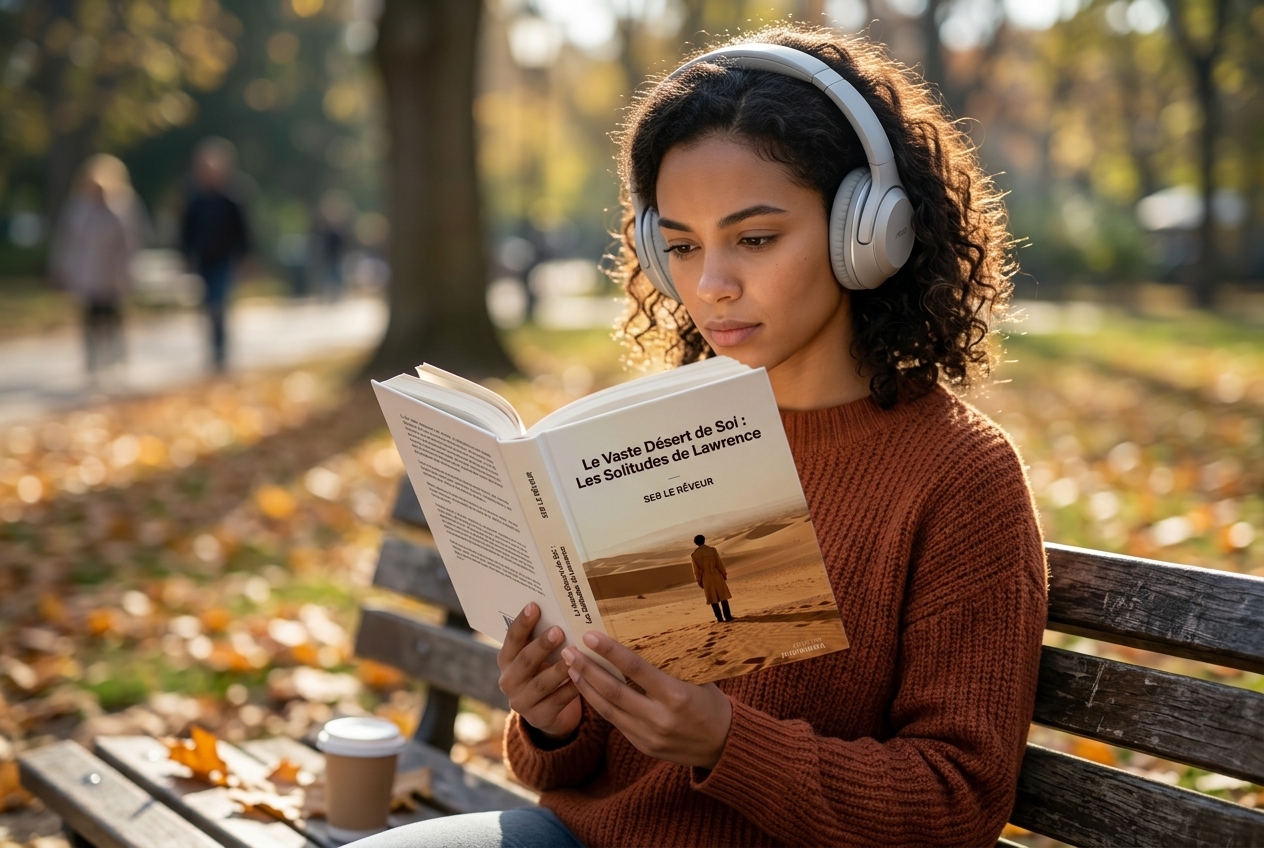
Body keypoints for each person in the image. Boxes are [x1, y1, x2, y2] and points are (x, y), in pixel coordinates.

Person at [348, 23, 1045, 848]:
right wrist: (550, 720)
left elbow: (958, 802)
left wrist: (727, 744)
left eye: (755, 239)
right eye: (680, 245)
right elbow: (569, 771)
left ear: (866, 233)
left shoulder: (959, 475)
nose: (711, 284)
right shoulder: (655, 441)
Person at [49, 155, 148, 383]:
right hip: (87, 273)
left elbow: (131, 241)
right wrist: (61, 267)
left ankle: (116, 356)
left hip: (113, 273)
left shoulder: (122, 206)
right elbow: (66, 241)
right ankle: (92, 359)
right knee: (90, 316)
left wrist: (130, 270)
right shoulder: (78, 208)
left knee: (113, 315)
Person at [180, 137, 251, 372]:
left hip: (224, 259)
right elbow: (186, 230)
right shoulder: (195, 199)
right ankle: (213, 346)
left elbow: (243, 231)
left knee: (218, 302)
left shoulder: (232, 198)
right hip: (204, 260)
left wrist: (245, 256)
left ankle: (220, 349)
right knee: (209, 304)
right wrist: (185, 255)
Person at [691, 534, 734, 623]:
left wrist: (699, 581)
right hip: (716, 574)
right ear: (704, 540)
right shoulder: (712, 550)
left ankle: (719, 618)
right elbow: (719, 563)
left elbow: (696, 570)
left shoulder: (694, 555)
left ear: (696, 543)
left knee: (712, 598)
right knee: (723, 596)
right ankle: (728, 616)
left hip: (706, 577)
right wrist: (723, 573)